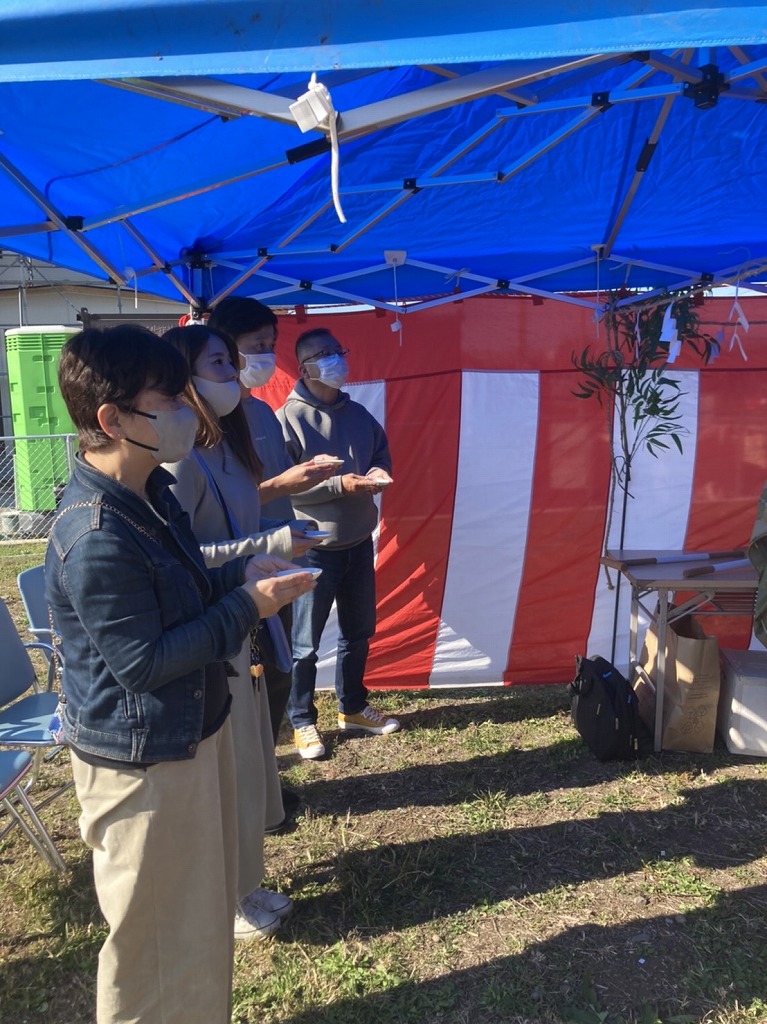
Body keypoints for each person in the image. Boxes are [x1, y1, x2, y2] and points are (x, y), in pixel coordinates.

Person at [45, 325, 315, 1024]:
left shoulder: (151, 494)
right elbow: (143, 663)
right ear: (112, 419)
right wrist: (245, 605)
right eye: (168, 398)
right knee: (155, 943)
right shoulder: (96, 533)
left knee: (192, 929)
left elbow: (185, 583)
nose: (185, 412)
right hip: (142, 764)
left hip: (183, 733)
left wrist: (238, 573)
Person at [160, 323, 320, 941]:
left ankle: (245, 883)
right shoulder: (182, 457)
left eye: (233, 360)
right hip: (216, 629)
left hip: (245, 627)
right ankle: (229, 897)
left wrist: (277, 542)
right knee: (228, 774)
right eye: (221, 361)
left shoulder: (225, 446)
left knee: (252, 763)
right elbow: (188, 556)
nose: (235, 372)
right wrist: (273, 543)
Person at [206, 297, 336, 748]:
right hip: (241, 567)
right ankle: (256, 789)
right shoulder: (206, 427)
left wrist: (315, 480)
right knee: (247, 679)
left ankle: (268, 782)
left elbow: (279, 484)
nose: (264, 354)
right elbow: (229, 505)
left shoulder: (262, 411)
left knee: (279, 672)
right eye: (255, 345)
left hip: (281, 554)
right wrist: (283, 484)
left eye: (270, 344)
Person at [277, 327, 401, 760]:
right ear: (303, 367)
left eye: (339, 350)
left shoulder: (359, 413)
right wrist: (338, 485)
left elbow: (381, 452)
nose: (336, 359)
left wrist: (379, 473)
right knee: (304, 643)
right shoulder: (286, 419)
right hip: (312, 547)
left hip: (357, 541)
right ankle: (301, 720)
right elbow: (282, 489)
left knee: (358, 631)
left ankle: (351, 708)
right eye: (324, 354)